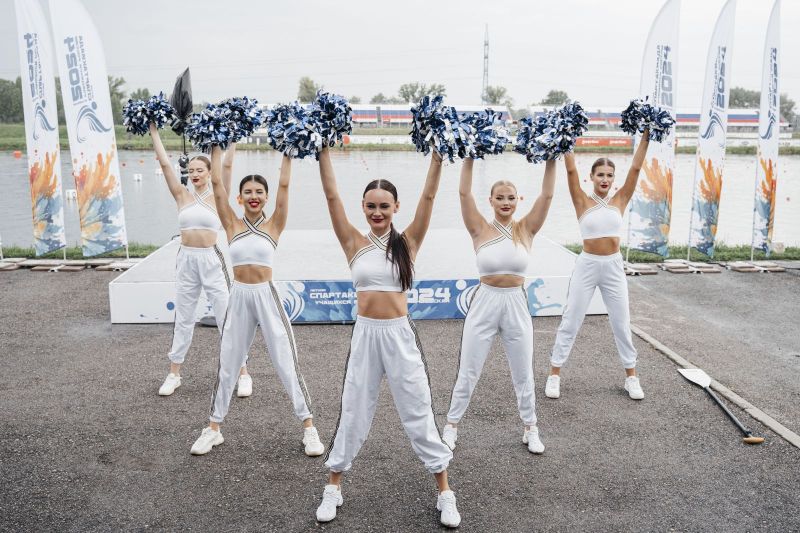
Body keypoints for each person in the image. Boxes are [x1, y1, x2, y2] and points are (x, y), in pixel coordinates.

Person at [314, 147, 460, 528]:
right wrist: (322, 150)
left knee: (418, 410)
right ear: (363, 208)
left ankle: (445, 492)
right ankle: (333, 486)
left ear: (396, 207)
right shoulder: (353, 242)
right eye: (370, 206)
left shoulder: (408, 242)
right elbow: (331, 196)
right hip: (366, 335)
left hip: (399, 335)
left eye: (384, 206)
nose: (377, 212)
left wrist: (438, 158)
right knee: (353, 409)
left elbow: (429, 197)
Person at [189, 146, 324, 457]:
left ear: (266, 197)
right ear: (239, 198)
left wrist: (289, 151)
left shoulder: (274, 224)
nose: (254, 196)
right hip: (238, 295)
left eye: (259, 192)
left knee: (286, 361)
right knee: (228, 363)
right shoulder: (231, 224)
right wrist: (216, 147)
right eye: (248, 192)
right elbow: (217, 185)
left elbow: (285, 185)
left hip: (266, 294)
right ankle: (213, 429)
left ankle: (309, 428)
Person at [441, 158, 556, 454]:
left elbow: (547, 196)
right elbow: (464, 193)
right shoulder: (479, 228)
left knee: (523, 371)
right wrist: (468, 155)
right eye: (500, 198)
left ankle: (530, 427)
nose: (506, 202)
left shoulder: (526, 228)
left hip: (515, 302)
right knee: (469, 369)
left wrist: (552, 159)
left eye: (511, 198)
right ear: (490, 201)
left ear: (518, 200)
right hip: (485, 301)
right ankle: (451, 426)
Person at [545, 130, 651, 400]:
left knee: (621, 322)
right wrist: (567, 137)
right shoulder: (581, 200)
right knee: (571, 319)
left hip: (613, 266)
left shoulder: (620, 200)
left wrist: (646, 136)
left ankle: (631, 377)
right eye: (600, 174)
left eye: (609, 175)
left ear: (613, 179)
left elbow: (636, 168)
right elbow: (570, 171)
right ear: (591, 177)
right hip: (588, 265)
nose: (605, 179)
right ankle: (554, 374)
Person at [149, 124, 251, 398]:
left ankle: (243, 373)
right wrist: (154, 131)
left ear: (208, 173)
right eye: (191, 170)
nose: (194, 174)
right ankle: (174, 373)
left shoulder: (218, 195)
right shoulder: (182, 195)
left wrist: (233, 136)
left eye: (200, 170)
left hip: (211, 260)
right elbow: (165, 164)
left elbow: (227, 165)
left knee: (226, 317)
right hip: (186, 260)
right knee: (184, 316)